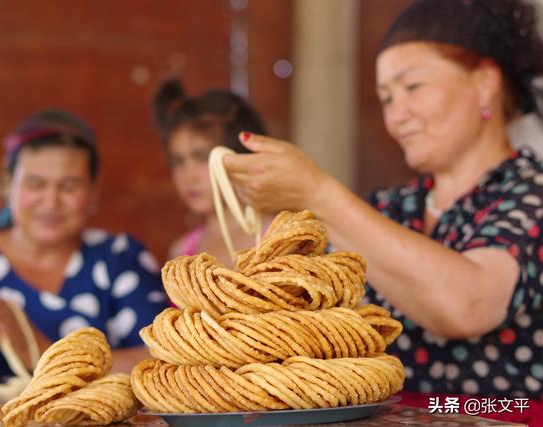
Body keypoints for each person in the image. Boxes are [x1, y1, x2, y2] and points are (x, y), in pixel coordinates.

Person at [223, 0, 543, 423]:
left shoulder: (532, 191)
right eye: (386, 98)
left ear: (484, 83)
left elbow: (468, 306)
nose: (397, 115)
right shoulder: (389, 208)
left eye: (412, 88)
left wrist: (318, 192)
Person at [0, 109, 168, 392]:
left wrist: (40, 353)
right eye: (36, 184)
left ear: (93, 192)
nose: (51, 201)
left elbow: (165, 366)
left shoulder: (121, 258)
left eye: (69, 186)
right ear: (8, 185)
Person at [153, 79, 273, 265]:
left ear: (241, 155)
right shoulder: (182, 254)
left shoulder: (278, 239)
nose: (189, 176)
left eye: (203, 157)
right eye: (178, 161)